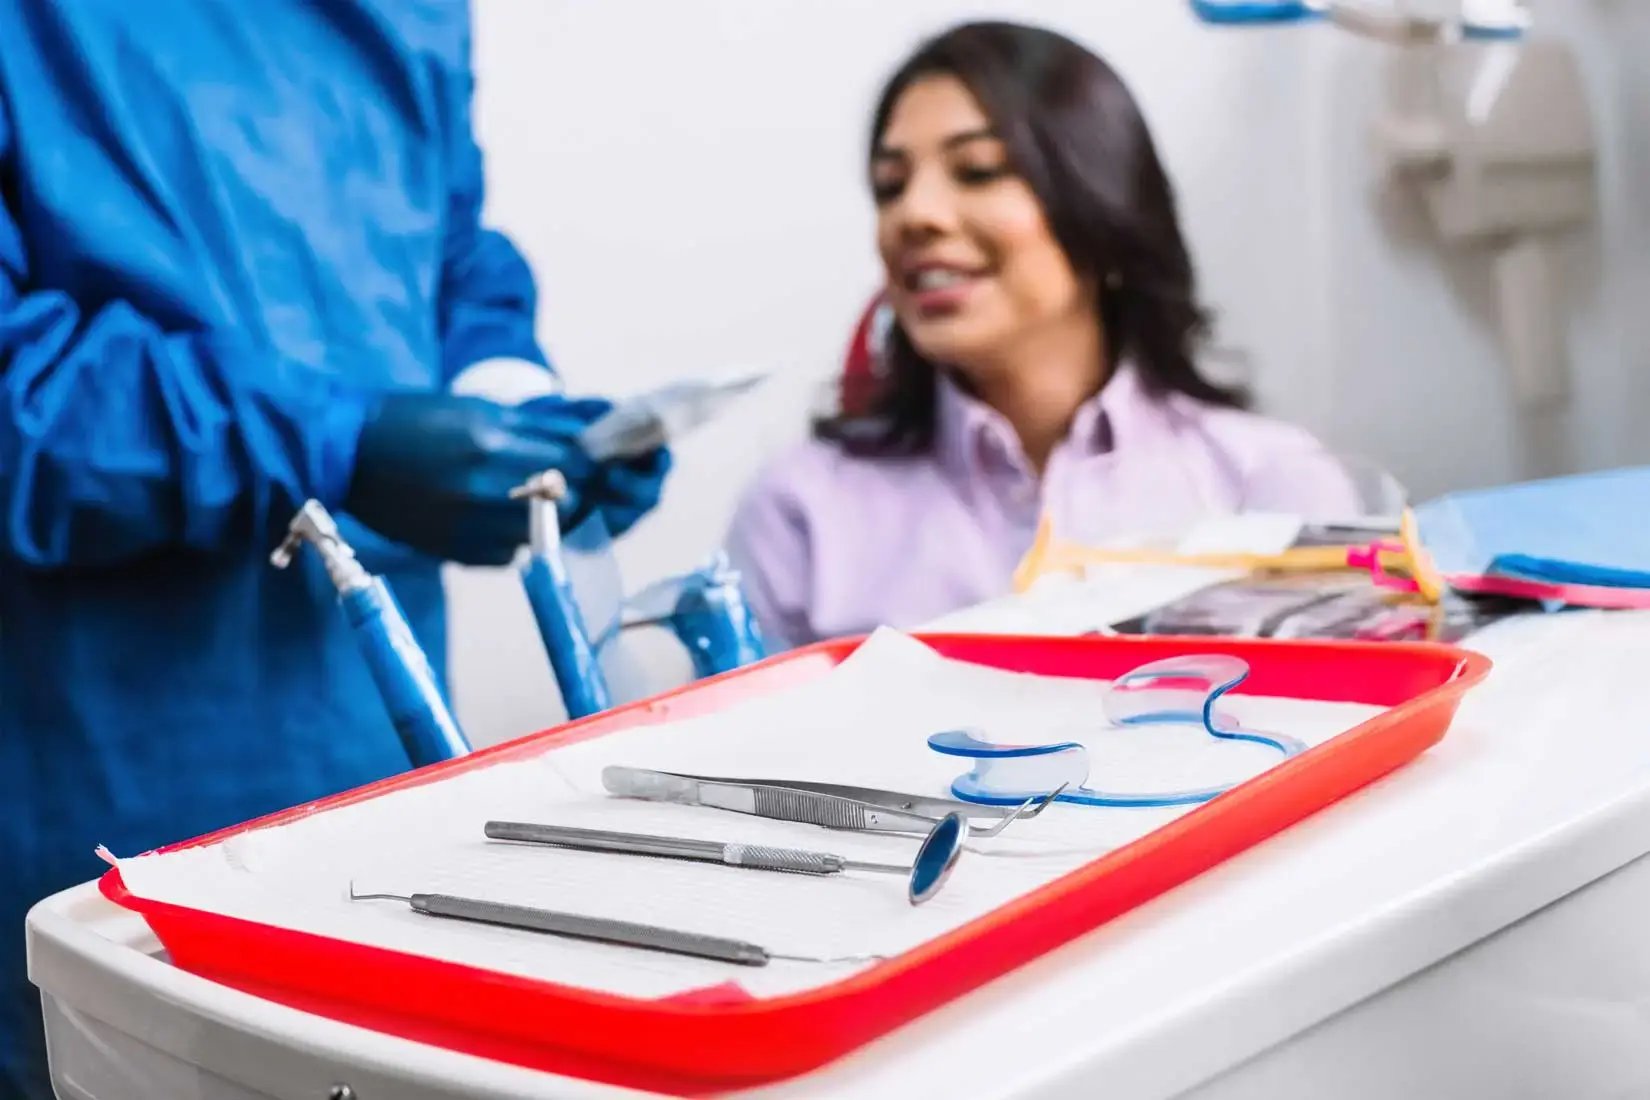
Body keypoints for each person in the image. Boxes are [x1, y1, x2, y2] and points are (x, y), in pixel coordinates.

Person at [0, 4, 668, 1095]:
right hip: (107, 787)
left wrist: (520, 412)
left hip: (379, 780)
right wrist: (331, 442)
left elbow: (450, 257)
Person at [727, 20, 1357, 650]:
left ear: (1103, 209)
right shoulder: (797, 513)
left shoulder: (1271, 485)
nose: (913, 214)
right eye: (890, 186)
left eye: (978, 170)